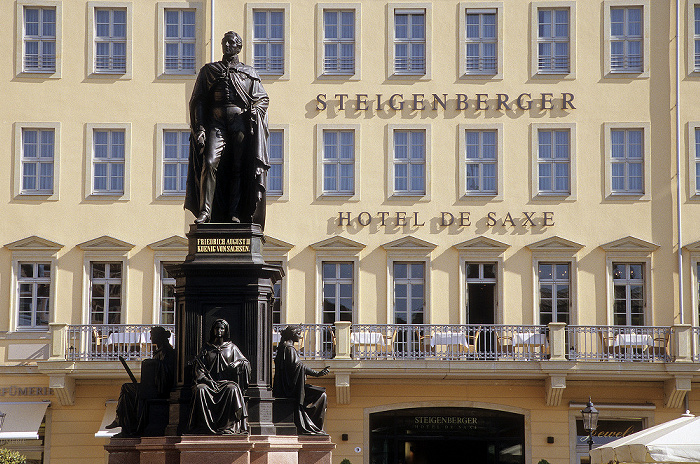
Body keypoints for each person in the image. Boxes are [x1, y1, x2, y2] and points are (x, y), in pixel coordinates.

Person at [184, 31, 270, 227]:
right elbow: (198, 101)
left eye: (231, 42)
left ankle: (234, 212)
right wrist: (199, 128)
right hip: (216, 123)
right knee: (210, 162)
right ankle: (206, 211)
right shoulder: (209, 71)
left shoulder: (249, 73)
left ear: (239, 47)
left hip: (239, 122)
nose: (227, 45)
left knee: (238, 168)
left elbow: (262, 98)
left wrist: (255, 110)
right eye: (225, 42)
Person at [106, 327, 175, 437]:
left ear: (159, 336)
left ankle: (125, 424)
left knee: (128, 389)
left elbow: (168, 373)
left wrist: (152, 364)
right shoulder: (159, 352)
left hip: (160, 389)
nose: (150, 338)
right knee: (127, 388)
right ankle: (123, 424)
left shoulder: (168, 352)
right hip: (153, 387)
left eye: (152, 335)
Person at [188, 319, 250, 434]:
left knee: (232, 389)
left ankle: (228, 427)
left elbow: (245, 362)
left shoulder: (232, 347)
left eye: (222, 328)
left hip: (225, 382)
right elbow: (199, 369)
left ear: (226, 331)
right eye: (217, 328)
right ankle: (203, 427)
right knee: (200, 389)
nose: (219, 331)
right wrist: (206, 380)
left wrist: (236, 363)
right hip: (209, 383)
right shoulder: (206, 348)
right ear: (213, 330)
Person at [273, 326, 330, 435]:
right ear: (292, 334)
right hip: (291, 389)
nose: (300, 336)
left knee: (321, 394)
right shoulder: (288, 348)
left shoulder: (284, 347)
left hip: (290, 386)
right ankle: (311, 425)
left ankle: (309, 423)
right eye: (298, 333)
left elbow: (297, 366)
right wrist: (317, 374)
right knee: (322, 395)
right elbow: (298, 366)